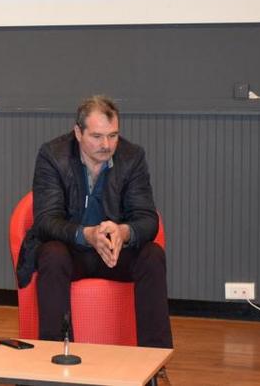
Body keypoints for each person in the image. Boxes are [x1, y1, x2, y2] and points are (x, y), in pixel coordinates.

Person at [16, 95, 173, 352]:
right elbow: (46, 220)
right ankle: (55, 355)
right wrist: (86, 235)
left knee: (152, 255)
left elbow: (148, 218)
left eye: (113, 136)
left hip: (114, 253)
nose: (107, 144)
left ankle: (155, 362)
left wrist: (124, 232)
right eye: (97, 136)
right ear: (78, 132)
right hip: (72, 250)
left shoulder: (132, 157)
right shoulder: (53, 156)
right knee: (51, 255)